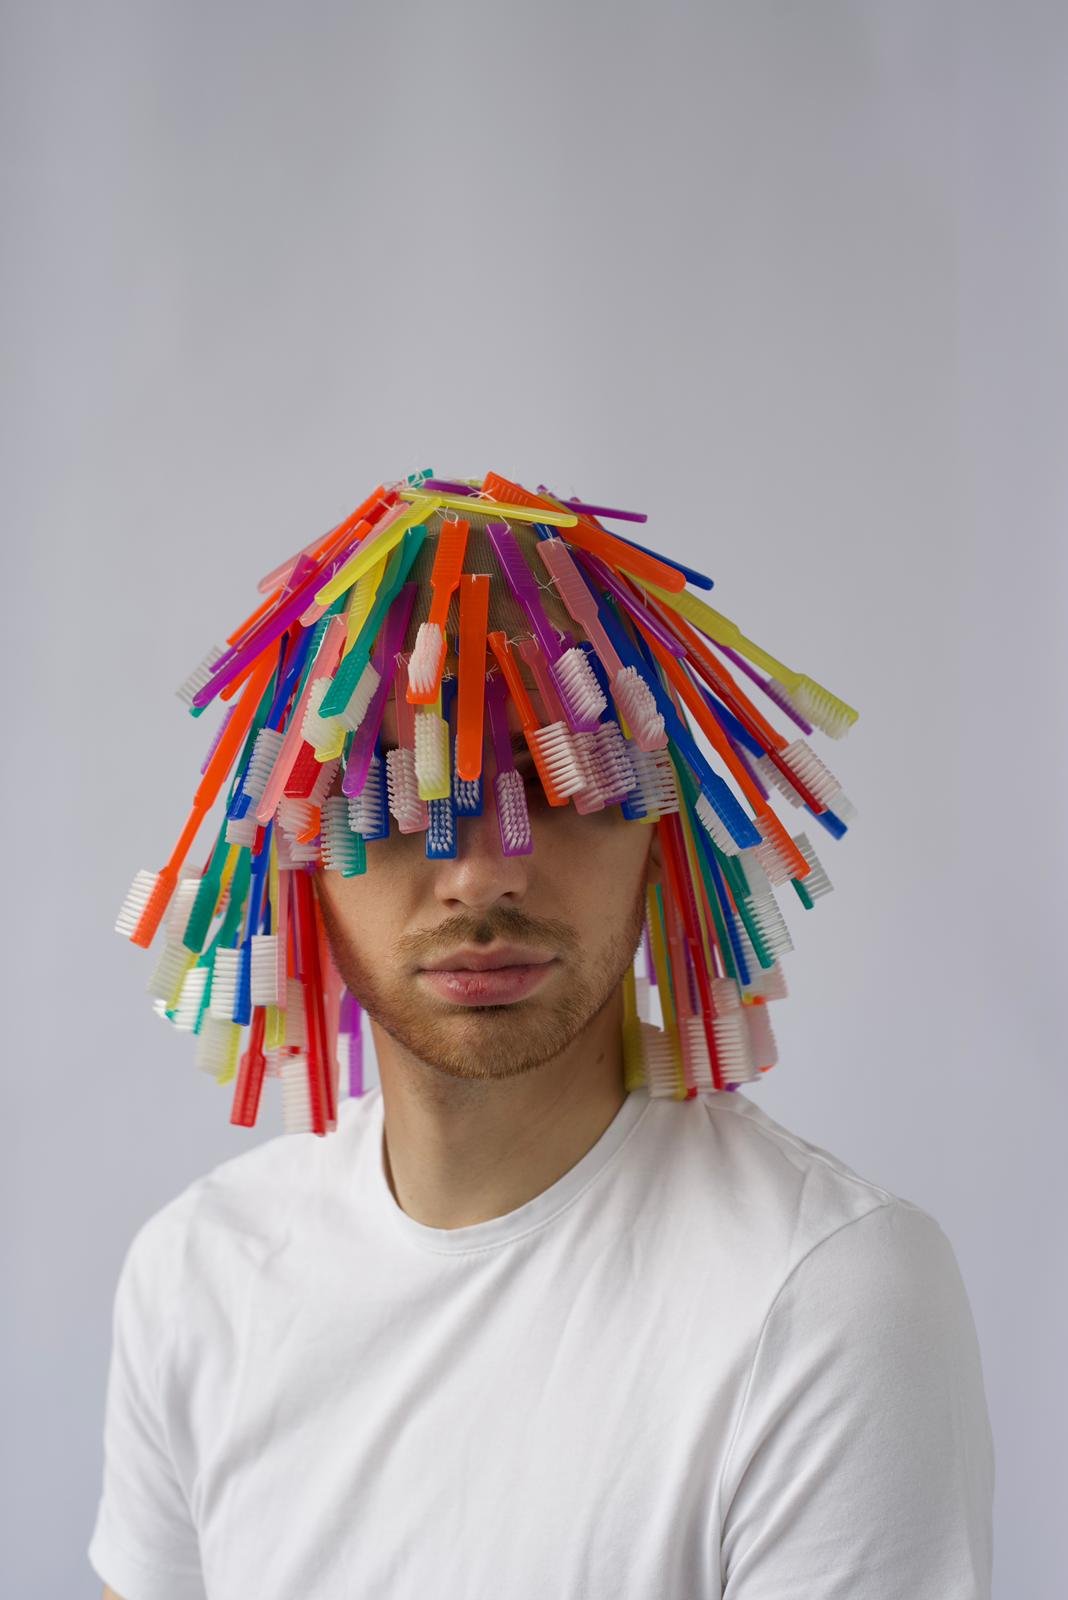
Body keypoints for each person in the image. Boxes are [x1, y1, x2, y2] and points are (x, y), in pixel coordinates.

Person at [89, 472, 995, 1598]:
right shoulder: (197, 1276)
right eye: (398, 793)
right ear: (296, 851)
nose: (481, 876)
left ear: (662, 826)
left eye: (559, 784)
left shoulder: (826, 1294)